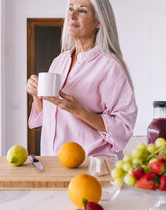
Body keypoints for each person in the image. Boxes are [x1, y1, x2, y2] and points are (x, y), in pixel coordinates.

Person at [27, 0, 138, 159]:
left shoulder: (109, 67)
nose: (72, 16)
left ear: (99, 22)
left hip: (92, 165)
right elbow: (50, 119)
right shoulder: (59, 61)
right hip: (54, 163)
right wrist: (37, 96)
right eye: (70, 9)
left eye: (82, 11)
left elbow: (123, 127)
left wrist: (79, 112)